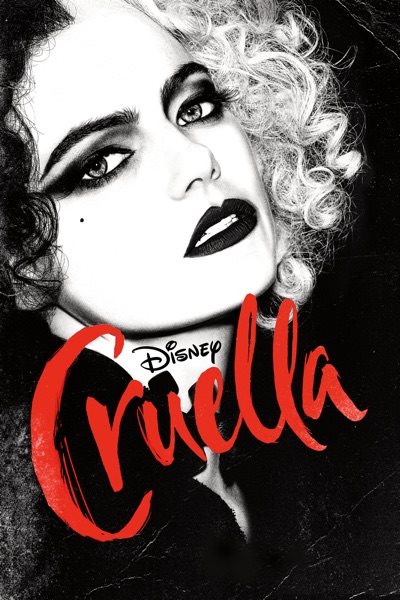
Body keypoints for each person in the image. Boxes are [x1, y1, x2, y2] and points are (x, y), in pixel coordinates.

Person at [0, 0, 369, 598]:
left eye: (195, 108)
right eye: (103, 162)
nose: (198, 159)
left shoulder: (323, 455)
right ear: (21, 255)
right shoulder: (27, 535)